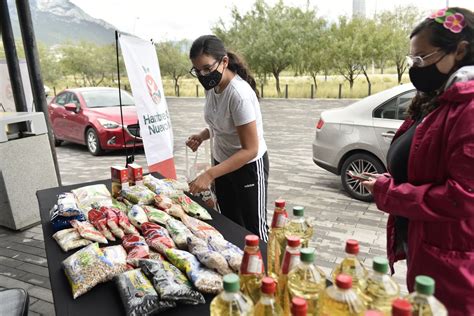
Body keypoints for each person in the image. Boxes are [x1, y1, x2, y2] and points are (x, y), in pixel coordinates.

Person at [362, 8, 474, 315]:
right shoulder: (439, 97)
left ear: (460, 51)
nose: (415, 68)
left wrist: (388, 192)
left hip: (455, 265)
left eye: (422, 59)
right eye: (413, 60)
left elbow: (462, 198)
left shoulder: (469, 109)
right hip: (428, 248)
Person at [186, 35, 269, 241]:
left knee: (254, 231)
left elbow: (250, 148)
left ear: (224, 62)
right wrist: (203, 135)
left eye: (206, 68)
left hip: (247, 167)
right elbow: (220, 123)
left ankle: (264, 271)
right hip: (222, 164)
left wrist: (210, 174)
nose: (203, 75)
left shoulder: (239, 95)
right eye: (197, 70)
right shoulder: (212, 86)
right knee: (230, 224)